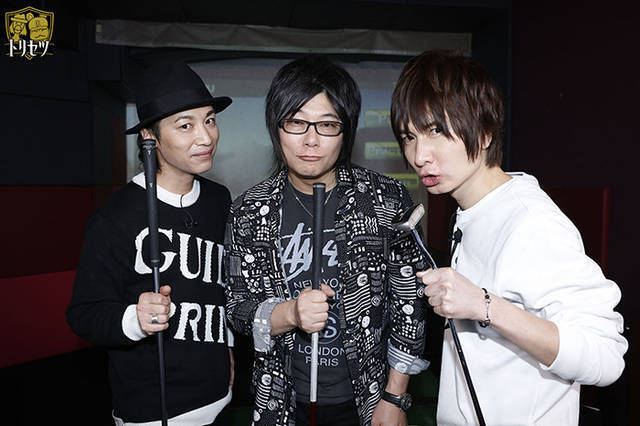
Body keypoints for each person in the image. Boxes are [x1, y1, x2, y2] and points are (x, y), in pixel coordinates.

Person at [390, 49, 628, 425]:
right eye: (409, 136)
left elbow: (605, 356)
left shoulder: (531, 223)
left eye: (436, 131)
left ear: (485, 133)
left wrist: (485, 306)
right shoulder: (472, 210)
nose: (419, 156)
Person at [224, 55, 429, 426]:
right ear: (276, 126)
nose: (311, 140)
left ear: (346, 130)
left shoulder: (385, 200)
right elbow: (237, 309)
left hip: (369, 399)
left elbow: (409, 304)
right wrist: (290, 313)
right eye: (296, 122)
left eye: (327, 125)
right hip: (280, 402)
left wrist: (395, 397)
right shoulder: (249, 211)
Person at [67, 62, 235, 425]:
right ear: (150, 136)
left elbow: (221, 291)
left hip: (221, 397)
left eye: (209, 120)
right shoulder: (115, 218)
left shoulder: (220, 200)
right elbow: (84, 313)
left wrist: (228, 348)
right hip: (152, 412)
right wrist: (135, 319)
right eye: (185, 125)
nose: (206, 137)